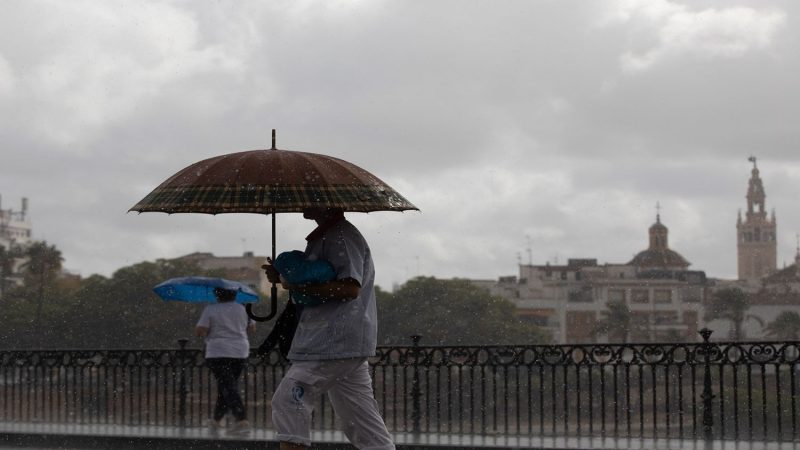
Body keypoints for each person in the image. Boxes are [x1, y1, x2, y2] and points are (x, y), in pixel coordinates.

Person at [263, 207, 395, 450]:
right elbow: (319, 282)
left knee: (289, 399)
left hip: (333, 340)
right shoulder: (330, 236)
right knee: (361, 421)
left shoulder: (341, 237)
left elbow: (349, 289)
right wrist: (283, 279)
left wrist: (294, 286)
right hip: (340, 341)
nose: (302, 202)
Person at [195, 287, 256, 435]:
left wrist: (211, 330)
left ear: (217, 295)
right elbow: (252, 328)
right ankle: (216, 421)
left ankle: (242, 420)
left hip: (218, 351)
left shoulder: (211, 309)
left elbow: (200, 331)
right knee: (228, 386)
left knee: (227, 387)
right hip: (240, 351)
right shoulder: (243, 308)